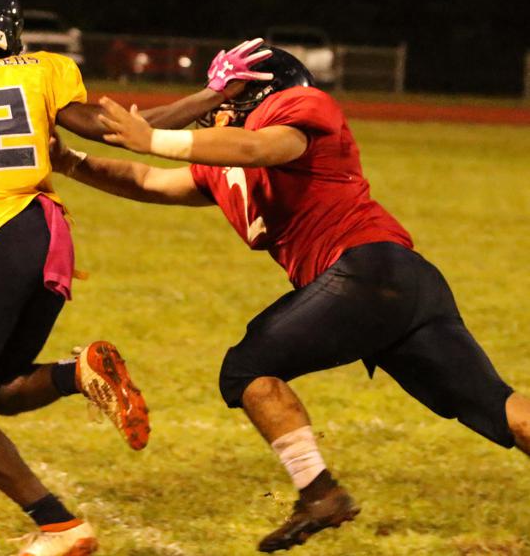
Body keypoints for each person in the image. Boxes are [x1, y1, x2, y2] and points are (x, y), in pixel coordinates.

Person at [50, 41, 530, 553]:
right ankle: (319, 493)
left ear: (259, 93)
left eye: (224, 103)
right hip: (395, 285)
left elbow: (261, 149)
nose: (213, 116)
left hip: (365, 270)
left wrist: (155, 139)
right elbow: (149, 180)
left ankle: (319, 493)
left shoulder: (298, 109)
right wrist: (72, 162)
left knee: (247, 368)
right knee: (504, 410)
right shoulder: (225, 160)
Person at [0, 0, 232, 554]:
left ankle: (58, 524)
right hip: (49, 235)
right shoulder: (43, 71)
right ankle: (78, 372)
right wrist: (212, 95)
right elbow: (120, 129)